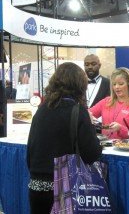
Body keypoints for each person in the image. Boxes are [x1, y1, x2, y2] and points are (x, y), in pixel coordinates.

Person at [26, 62, 103, 214]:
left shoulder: (41, 110)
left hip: (36, 187)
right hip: (65, 189)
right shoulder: (77, 111)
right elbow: (91, 153)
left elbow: (30, 152)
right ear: (79, 85)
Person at [89, 67, 129, 139]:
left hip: (127, 148)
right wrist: (98, 123)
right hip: (105, 147)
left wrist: (121, 129)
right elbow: (87, 114)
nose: (116, 87)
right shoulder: (106, 101)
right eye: (114, 84)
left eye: (121, 84)